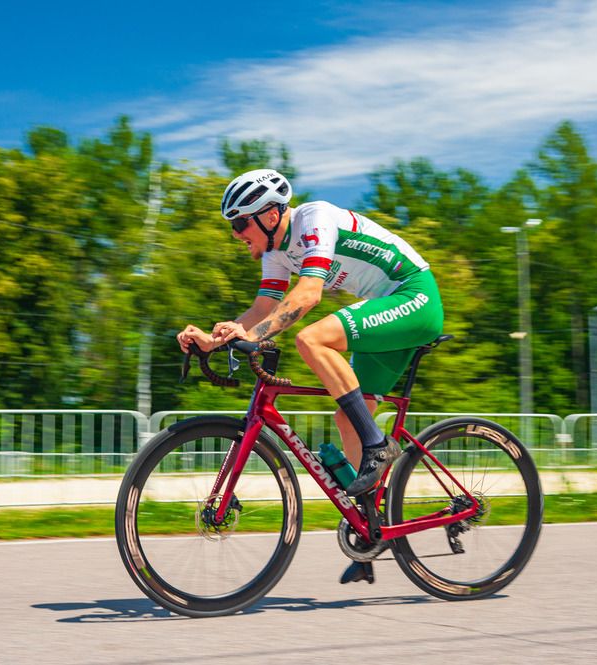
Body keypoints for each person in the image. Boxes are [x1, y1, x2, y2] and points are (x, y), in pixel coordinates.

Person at [176, 169, 444, 582]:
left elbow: (308, 295)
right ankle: (371, 533)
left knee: (312, 339)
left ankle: (379, 446)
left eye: (240, 223)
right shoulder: (276, 251)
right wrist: (218, 339)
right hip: (387, 309)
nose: (235, 234)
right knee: (348, 419)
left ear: (269, 215)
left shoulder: (313, 219)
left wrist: (256, 338)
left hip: (414, 296)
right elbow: (264, 309)